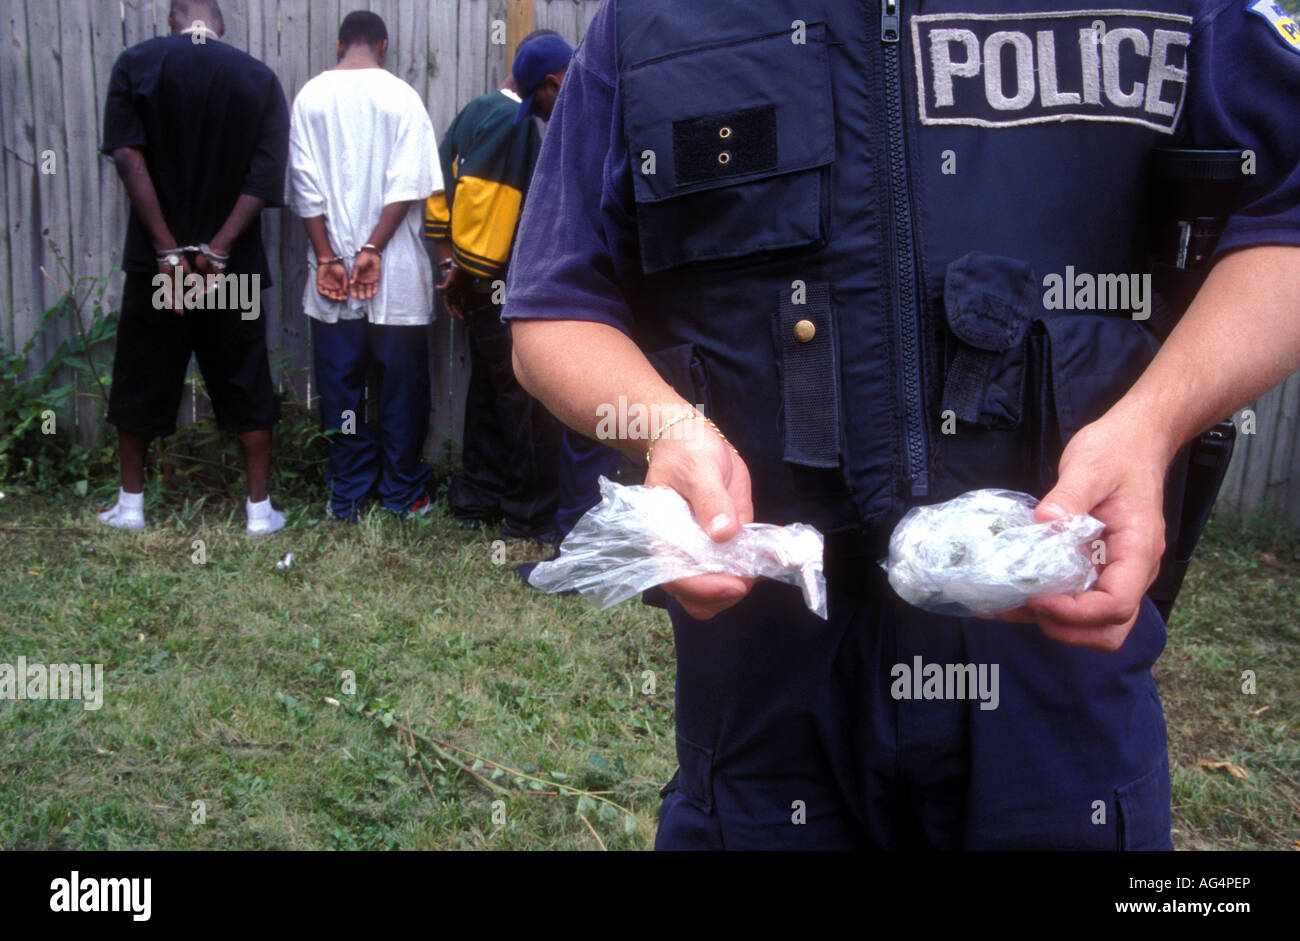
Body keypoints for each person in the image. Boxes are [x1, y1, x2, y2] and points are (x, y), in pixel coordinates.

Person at [505, 0, 1300, 849]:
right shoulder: (648, 22)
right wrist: (669, 428)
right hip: (766, 689)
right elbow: (553, 306)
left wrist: (1154, 421)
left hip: (1054, 672)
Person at [98, 0, 289, 535]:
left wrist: (168, 253)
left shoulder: (136, 65)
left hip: (162, 274)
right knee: (245, 379)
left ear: (173, 20)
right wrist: (218, 251)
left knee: (141, 376)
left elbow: (127, 156)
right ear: (220, 25)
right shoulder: (256, 78)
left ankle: (131, 508)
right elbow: (266, 173)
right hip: (231, 271)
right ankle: (258, 513)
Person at [427, 33, 597, 544]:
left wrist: (447, 262)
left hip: (475, 277)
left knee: (488, 391)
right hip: (498, 276)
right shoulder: (512, 124)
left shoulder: (475, 110)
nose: (542, 113)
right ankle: (529, 514)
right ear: (554, 82)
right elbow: (489, 205)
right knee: (524, 398)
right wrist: (469, 271)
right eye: (544, 100)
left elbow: (438, 188)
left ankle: (477, 497)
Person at [289, 10, 442, 521]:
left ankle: (348, 495)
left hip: (331, 278)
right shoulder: (402, 97)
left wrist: (330, 257)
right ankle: (402, 494)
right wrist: (374, 250)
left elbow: (304, 184)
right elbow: (408, 182)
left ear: (339, 44)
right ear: (383, 45)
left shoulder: (309, 97)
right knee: (400, 392)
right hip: (395, 274)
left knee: (341, 389)